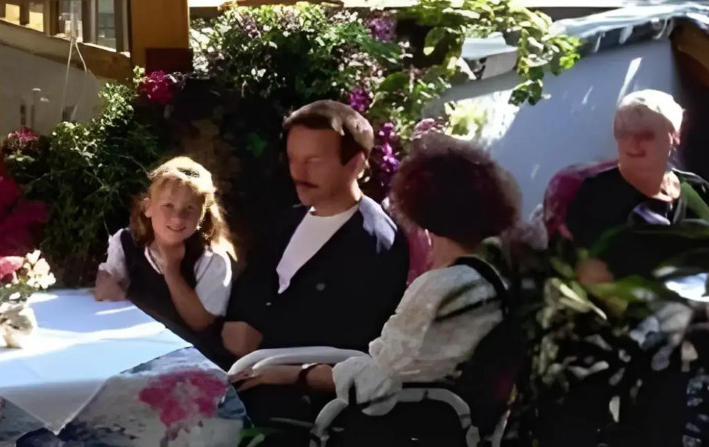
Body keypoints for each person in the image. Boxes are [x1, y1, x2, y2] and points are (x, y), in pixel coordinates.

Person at [230, 132, 520, 441]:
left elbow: (376, 383)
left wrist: (293, 373)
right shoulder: (493, 281)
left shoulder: (444, 288)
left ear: (423, 205)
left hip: (397, 428)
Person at [223, 101, 409, 416]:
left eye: (314, 161)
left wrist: (274, 366)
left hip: (301, 405)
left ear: (355, 164)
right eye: (293, 159)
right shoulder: (288, 221)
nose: (298, 173)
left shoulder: (373, 241)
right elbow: (253, 288)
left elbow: (352, 346)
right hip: (243, 373)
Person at [566, 90, 709, 284]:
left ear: (675, 135)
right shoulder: (596, 194)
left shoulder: (699, 189)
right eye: (623, 133)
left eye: (646, 135)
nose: (632, 145)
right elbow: (583, 266)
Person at [95, 157, 236, 350]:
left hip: (190, 355)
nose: (178, 218)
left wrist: (172, 271)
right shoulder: (126, 243)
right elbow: (107, 290)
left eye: (189, 208)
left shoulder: (212, 260)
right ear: (148, 208)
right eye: (168, 206)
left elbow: (201, 323)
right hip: (134, 347)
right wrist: (108, 289)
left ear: (202, 214)